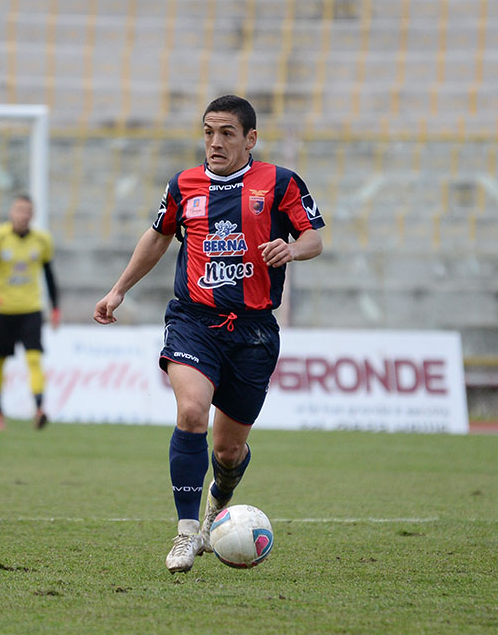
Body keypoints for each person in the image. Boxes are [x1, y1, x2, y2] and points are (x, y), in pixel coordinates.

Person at [94, 95, 325, 573]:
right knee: (192, 411)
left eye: (226, 133)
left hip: (254, 332)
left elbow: (314, 238)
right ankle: (184, 534)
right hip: (193, 320)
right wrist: (118, 290)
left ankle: (218, 502)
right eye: (208, 132)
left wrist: (291, 249)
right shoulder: (183, 185)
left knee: (227, 449)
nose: (215, 143)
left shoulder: (280, 182)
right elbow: (157, 236)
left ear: (250, 139)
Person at [0, 194, 60, 431]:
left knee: (34, 358)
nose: (23, 215)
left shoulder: (41, 241)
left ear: (32, 215)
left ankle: (39, 409)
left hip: (31, 309)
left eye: (27, 211)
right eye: (19, 210)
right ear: (11, 213)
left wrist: (55, 307)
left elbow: (49, 276)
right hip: (2, 309)